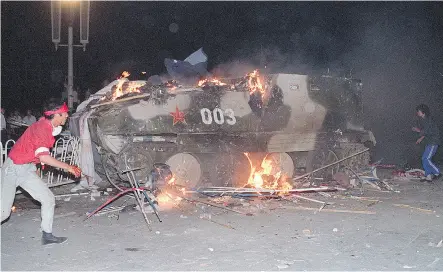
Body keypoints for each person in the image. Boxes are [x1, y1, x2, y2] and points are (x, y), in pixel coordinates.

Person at [1, 102, 82, 245]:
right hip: (12, 169)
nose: (67, 115)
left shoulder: (46, 125)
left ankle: (47, 235)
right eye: (65, 113)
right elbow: (44, 157)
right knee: (3, 213)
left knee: (48, 198)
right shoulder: (42, 129)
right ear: (56, 114)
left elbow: (38, 155)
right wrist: (68, 167)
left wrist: (36, 168)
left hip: (26, 169)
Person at [412, 104, 441, 182]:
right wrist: (420, 139)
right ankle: (428, 176)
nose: (417, 112)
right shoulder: (425, 120)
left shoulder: (428, 120)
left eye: (418, 111)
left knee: (426, 158)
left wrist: (417, 130)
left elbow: (426, 131)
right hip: (429, 141)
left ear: (423, 112)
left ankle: (438, 172)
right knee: (424, 158)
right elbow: (426, 132)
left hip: (433, 141)